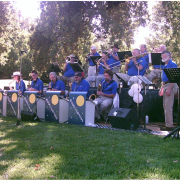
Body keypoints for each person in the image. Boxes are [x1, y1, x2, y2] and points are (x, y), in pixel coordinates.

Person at [159, 50, 178, 131]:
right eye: (162, 56)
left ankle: (169, 125)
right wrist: (162, 88)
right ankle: (168, 124)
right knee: (165, 106)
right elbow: (164, 79)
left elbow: (175, 77)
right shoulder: (165, 65)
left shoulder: (172, 64)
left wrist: (169, 88)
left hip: (171, 84)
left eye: (165, 56)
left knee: (168, 106)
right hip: (166, 85)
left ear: (169, 56)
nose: (163, 57)